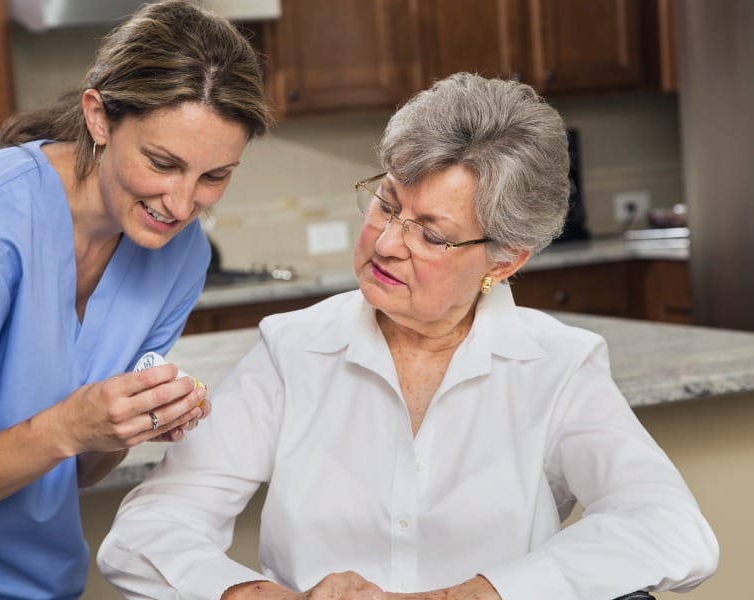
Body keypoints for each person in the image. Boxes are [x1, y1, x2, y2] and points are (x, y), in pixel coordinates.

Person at [97, 72, 718, 600]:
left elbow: (668, 527)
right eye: (387, 204)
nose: (389, 243)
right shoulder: (293, 349)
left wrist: (471, 595)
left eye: (432, 233)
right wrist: (249, 594)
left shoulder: (556, 365)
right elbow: (147, 529)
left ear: (504, 261)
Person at [0, 1, 270, 598]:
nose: (182, 205)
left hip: (40, 580)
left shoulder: (180, 255)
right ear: (99, 117)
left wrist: (128, 422)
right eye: (162, 163)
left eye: (214, 177)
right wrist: (69, 426)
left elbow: (72, 470)